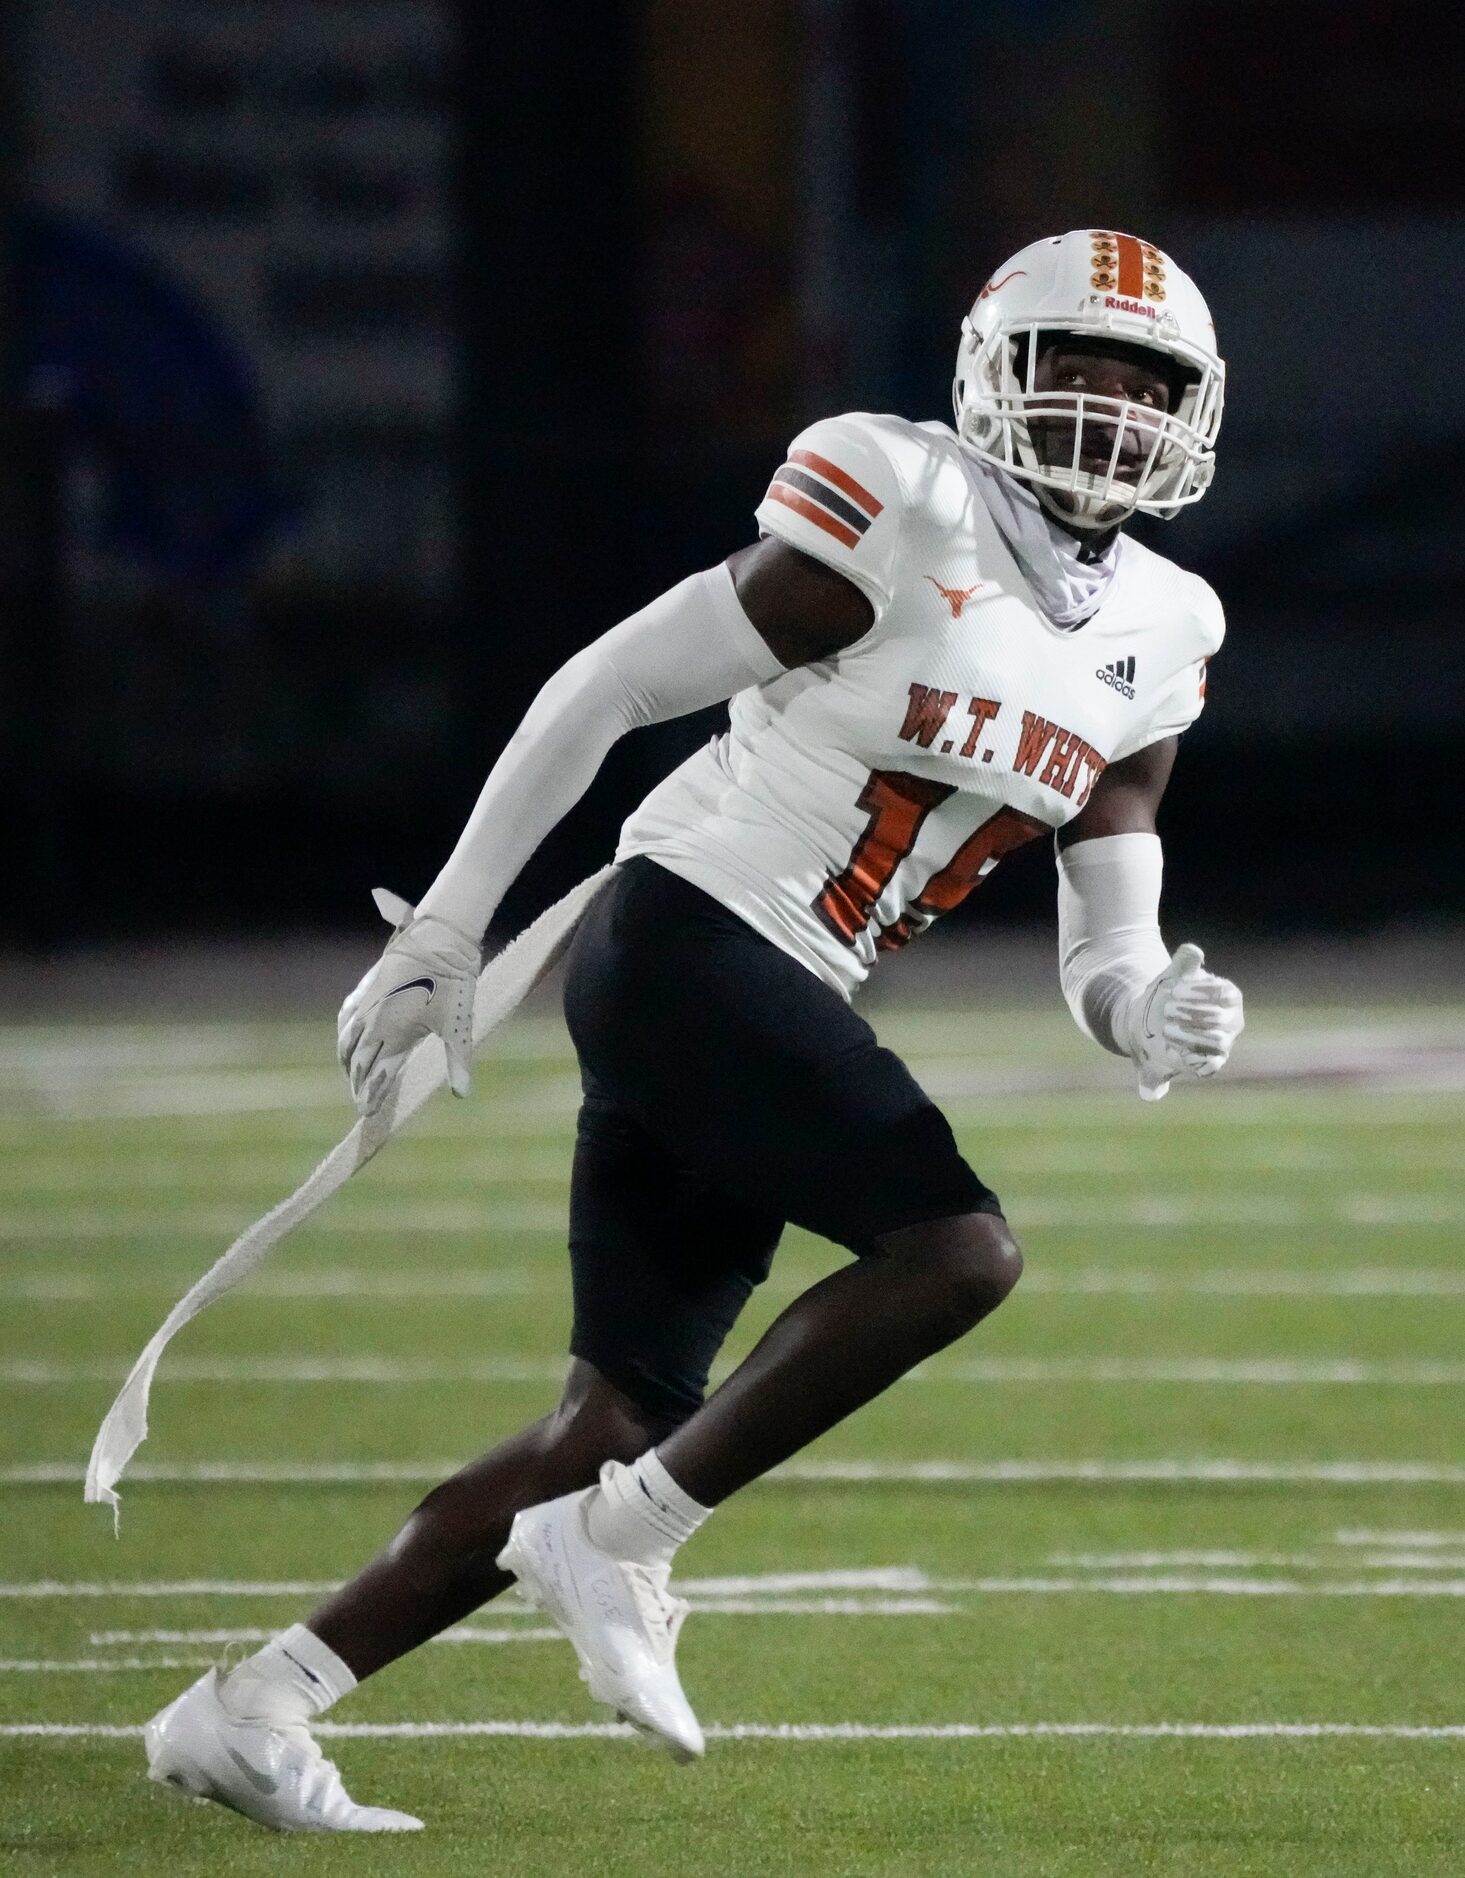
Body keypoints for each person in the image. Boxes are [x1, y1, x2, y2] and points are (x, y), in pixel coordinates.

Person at [144, 228, 1244, 1832]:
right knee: (957, 1252)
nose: (1104, 407)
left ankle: (252, 1704)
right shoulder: (899, 496)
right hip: (687, 932)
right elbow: (603, 686)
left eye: (1140, 381)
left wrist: (1144, 1005)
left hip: (770, 981)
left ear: (1195, 409)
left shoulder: (1168, 625)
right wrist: (448, 926)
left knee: (617, 1421)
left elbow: (1107, 921)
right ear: (991, 372)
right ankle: (620, 1542)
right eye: (1071, 364)